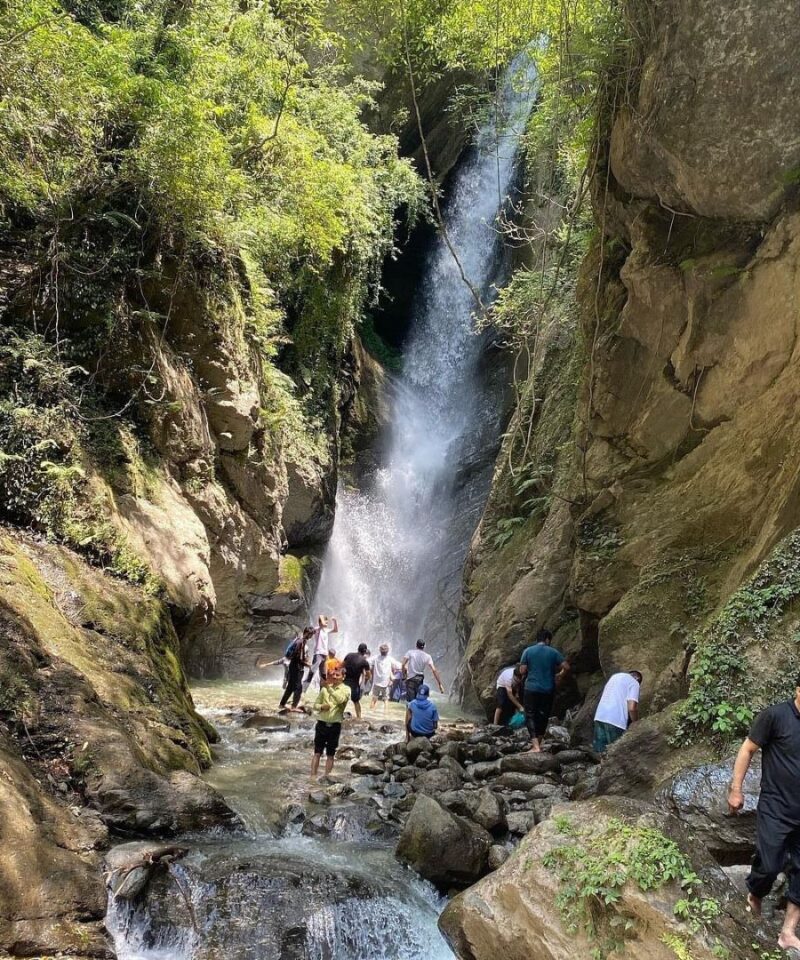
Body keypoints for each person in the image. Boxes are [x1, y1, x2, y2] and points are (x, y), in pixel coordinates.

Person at [728, 681, 800, 952]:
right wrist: (736, 790)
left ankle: (788, 932)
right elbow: (747, 749)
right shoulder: (775, 716)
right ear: (798, 689)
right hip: (776, 807)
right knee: (770, 865)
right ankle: (756, 892)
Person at [519, 627, 570, 752]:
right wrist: (560, 675)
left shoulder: (528, 651)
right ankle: (538, 744)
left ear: (537, 639)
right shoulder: (553, 652)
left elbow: (522, 670)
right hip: (548, 689)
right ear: (547, 640)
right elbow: (567, 667)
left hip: (531, 688)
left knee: (530, 715)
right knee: (543, 716)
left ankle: (535, 746)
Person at [311, 661, 350, 779]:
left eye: (337, 675)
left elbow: (340, 700)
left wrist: (329, 688)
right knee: (317, 752)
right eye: (333, 675)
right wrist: (321, 707)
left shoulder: (346, 689)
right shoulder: (324, 690)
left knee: (330, 754)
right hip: (321, 723)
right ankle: (312, 776)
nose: (334, 677)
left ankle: (326, 777)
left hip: (335, 725)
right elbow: (315, 705)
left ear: (343, 677)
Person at [592, 670, 642, 753]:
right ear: (638, 679)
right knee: (616, 753)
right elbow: (632, 708)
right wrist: (636, 723)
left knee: (600, 753)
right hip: (616, 720)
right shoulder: (634, 683)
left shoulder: (614, 677)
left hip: (600, 716)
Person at [278, 627, 313, 711]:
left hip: (293, 666)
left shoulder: (299, 640)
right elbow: (298, 657)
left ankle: (282, 704)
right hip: (297, 667)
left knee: (290, 686)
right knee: (298, 688)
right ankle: (294, 706)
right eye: (311, 634)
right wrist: (306, 664)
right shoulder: (301, 642)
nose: (311, 637)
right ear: (307, 633)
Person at [303, 615, 338, 692]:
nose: (326, 624)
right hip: (318, 653)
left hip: (325, 655)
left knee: (323, 675)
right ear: (320, 622)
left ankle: (322, 693)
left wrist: (334, 621)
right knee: (312, 671)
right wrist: (322, 617)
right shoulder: (317, 629)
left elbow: (335, 630)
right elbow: (321, 622)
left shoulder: (326, 630)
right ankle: (303, 689)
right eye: (326, 622)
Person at [343, 643, 372, 720]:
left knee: (343, 699)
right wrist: (365, 680)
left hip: (345, 681)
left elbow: (342, 666)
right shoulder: (364, 662)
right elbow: (369, 675)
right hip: (354, 684)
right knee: (356, 701)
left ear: (358, 649)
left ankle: (338, 714)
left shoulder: (349, 655)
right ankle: (359, 718)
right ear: (365, 651)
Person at [370, 644, 399, 714]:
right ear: (388, 651)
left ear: (380, 650)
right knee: (386, 700)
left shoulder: (375, 658)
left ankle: (370, 713)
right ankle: (385, 714)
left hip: (376, 682)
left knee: (374, 699)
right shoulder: (390, 659)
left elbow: (367, 661)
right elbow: (398, 665)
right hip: (385, 683)